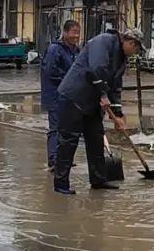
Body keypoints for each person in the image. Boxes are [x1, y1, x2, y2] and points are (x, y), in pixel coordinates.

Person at [52, 27, 143, 195]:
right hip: (74, 96)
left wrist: (119, 114)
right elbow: (95, 70)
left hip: (93, 102)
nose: (136, 53)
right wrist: (102, 94)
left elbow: (115, 87)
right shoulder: (103, 42)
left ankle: (99, 180)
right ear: (130, 43)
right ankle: (61, 183)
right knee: (68, 141)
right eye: (136, 49)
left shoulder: (122, 59)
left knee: (96, 140)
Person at [41, 20, 81, 172]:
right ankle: (53, 160)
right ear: (65, 33)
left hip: (70, 97)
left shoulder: (76, 50)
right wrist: (68, 81)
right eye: (73, 32)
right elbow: (51, 72)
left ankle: (63, 159)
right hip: (55, 95)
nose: (76, 36)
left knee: (66, 129)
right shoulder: (55, 49)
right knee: (55, 128)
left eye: (78, 32)